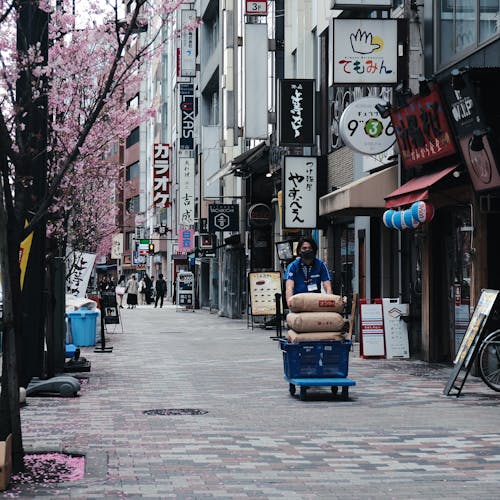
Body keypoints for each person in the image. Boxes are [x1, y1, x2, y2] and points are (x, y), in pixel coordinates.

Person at [285, 237, 333, 307]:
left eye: (310, 248)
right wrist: (290, 304)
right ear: (299, 251)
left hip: (315, 301)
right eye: (304, 248)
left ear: (314, 250)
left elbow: (328, 287)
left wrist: (330, 303)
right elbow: (289, 287)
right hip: (298, 301)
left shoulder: (321, 265)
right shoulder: (293, 266)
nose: (307, 250)